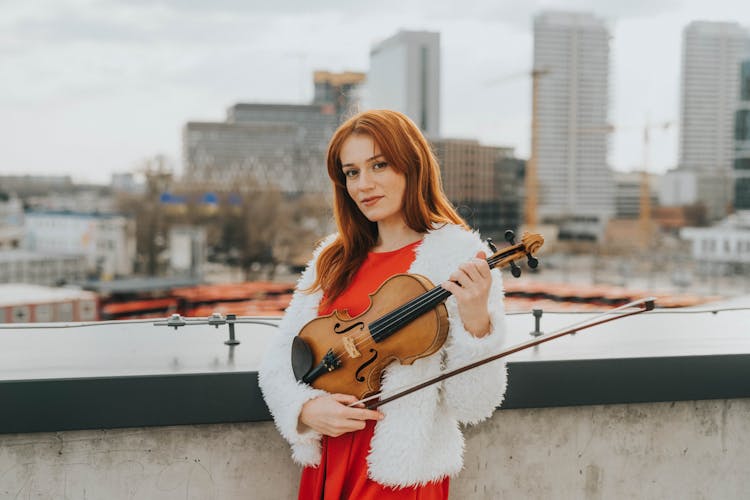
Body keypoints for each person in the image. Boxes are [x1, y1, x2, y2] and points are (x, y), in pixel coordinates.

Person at [258, 109, 508, 499]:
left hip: (398, 474)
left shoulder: (459, 256)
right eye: (352, 172)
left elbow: (474, 405)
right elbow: (280, 358)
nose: (364, 184)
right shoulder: (333, 257)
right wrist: (304, 410)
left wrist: (478, 324)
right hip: (329, 459)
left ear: (412, 166)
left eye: (379, 165)